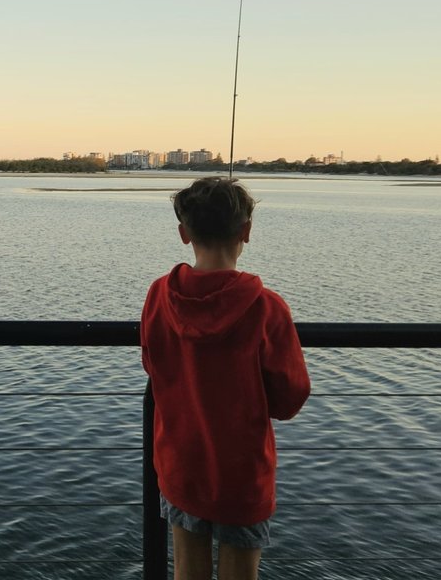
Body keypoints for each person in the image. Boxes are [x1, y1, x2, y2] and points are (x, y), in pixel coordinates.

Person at [140, 177, 310, 580]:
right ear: (246, 231)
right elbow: (289, 399)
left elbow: (154, 364)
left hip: (180, 462)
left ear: (184, 234)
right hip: (241, 474)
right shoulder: (267, 308)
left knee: (186, 569)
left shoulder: (158, 296)